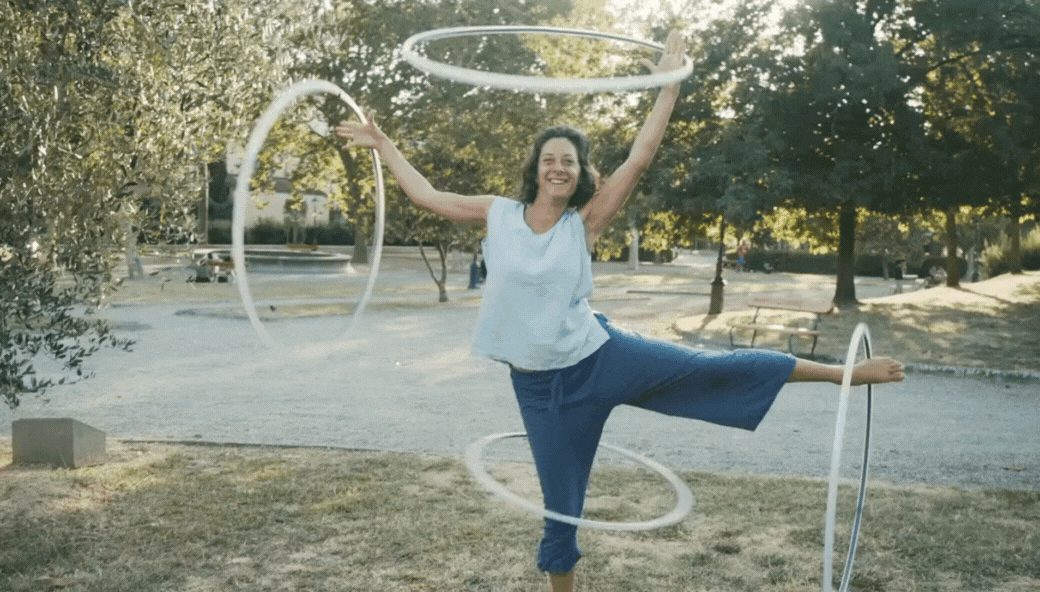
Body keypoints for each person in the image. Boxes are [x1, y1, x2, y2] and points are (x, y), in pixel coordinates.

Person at [336, 30, 904, 592]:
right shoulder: (497, 213)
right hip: (539, 391)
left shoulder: (583, 223)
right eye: (549, 159)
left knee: (706, 366)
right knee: (561, 512)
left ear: (582, 174)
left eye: (570, 162)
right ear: (535, 167)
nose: (558, 168)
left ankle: (843, 375)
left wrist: (668, 85)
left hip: (600, 357)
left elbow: (641, 155)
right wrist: (384, 146)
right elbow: (427, 196)